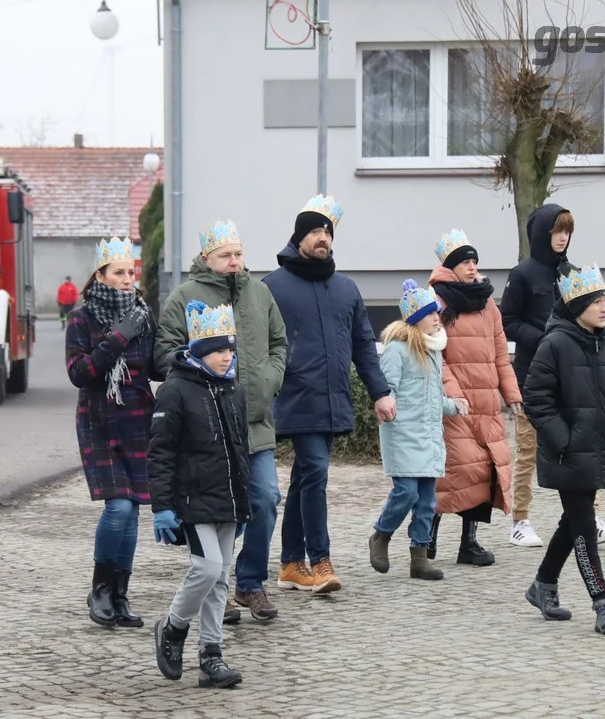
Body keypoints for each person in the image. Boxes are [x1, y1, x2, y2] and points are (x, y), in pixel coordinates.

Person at [155, 219, 287, 624]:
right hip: (208, 429)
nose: (234, 261)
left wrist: (269, 379)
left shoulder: (260, 293)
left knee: (264, 501)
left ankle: (250, 582)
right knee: (219, 511)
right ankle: (220, 588)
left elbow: (279, 343)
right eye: (225, 255)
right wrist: (194, 372)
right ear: (207, 258)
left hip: (254, 422)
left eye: (238, 253)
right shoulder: (184, 296)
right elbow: (164, 354)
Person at [263, 194, 395, 594]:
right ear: (299, 237)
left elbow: (363, 345)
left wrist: (380, 392)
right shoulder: (272, 287)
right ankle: (320, 561)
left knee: (306, 475)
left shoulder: (346, 289)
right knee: (316, 472)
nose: (322, 238)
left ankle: (289, 563)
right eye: (315, 231)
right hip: (294, 395)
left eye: (327, 232)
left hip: (331, 396)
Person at [500, 204, 605, 548]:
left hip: (572, 378)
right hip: (532, 377)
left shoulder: (574, 272)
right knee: (528, 451)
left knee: (583, 448)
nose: (563, 237)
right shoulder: (522, 275)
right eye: (557, 231)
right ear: (542, 234)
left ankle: (590, 517)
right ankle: (520, 521)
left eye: (567, 231)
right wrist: (546, 339)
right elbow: (507, 320)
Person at [522, 261, 605, 635]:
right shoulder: (553, 344)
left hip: (600, 451)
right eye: (596, 301)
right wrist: (563, 440)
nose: (604, 307)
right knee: (584, 522)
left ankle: (543, 585)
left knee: (573, 521)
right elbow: (536, 398)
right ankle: (604, 603)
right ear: (576, 306)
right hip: (567, 454)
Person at [149, 300, 250, 689]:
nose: (227, 357)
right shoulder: (175, 391)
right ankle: (173, 627)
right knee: (206, 569)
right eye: (219, 350)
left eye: (230, 349)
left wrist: (245, 500)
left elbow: (239, 448)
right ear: (200, 353)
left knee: (220, 578)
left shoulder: (233, 389)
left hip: (227, 500)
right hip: (192, 502)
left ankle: (212, 655)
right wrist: (162, 507)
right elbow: (160, 452)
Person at [64, 236, 162, 630]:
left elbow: (154, 368)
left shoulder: (144, 314)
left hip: (138, 418)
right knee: (119, 506)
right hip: (99, 420)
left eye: (131, 273)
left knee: (134, 508)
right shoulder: (81, 318)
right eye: (119, 273)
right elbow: (79, 373)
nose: (127, 280)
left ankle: (120, 596)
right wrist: (117, 338)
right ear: (100, 276)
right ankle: (100, 590)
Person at [426, 231, 522, 566]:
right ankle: (427, 540)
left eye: (474, 261)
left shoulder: (487, 303)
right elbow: (435, 355)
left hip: (486, 404)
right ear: (451, 267)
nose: (472, 268)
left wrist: (511, 393)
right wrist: (452, 393)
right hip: (453, 405)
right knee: (449, 471)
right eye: (465, 262)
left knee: (483, 470)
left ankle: (469, 542)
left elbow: (499, 353)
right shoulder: (436, 300)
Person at [368, 280, 466, 581]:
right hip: (403, 434)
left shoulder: (434, 351)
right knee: (406, 492)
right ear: (414, 318)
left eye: (437, 313)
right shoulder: (397, 350)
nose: (437, 318)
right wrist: (387, 406)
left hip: (428, 436)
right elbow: (389, 390)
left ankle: (419, 556)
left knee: (427, 501)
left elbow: (432, 395)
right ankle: (381, 535)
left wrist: (453, 405)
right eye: (429, 314)